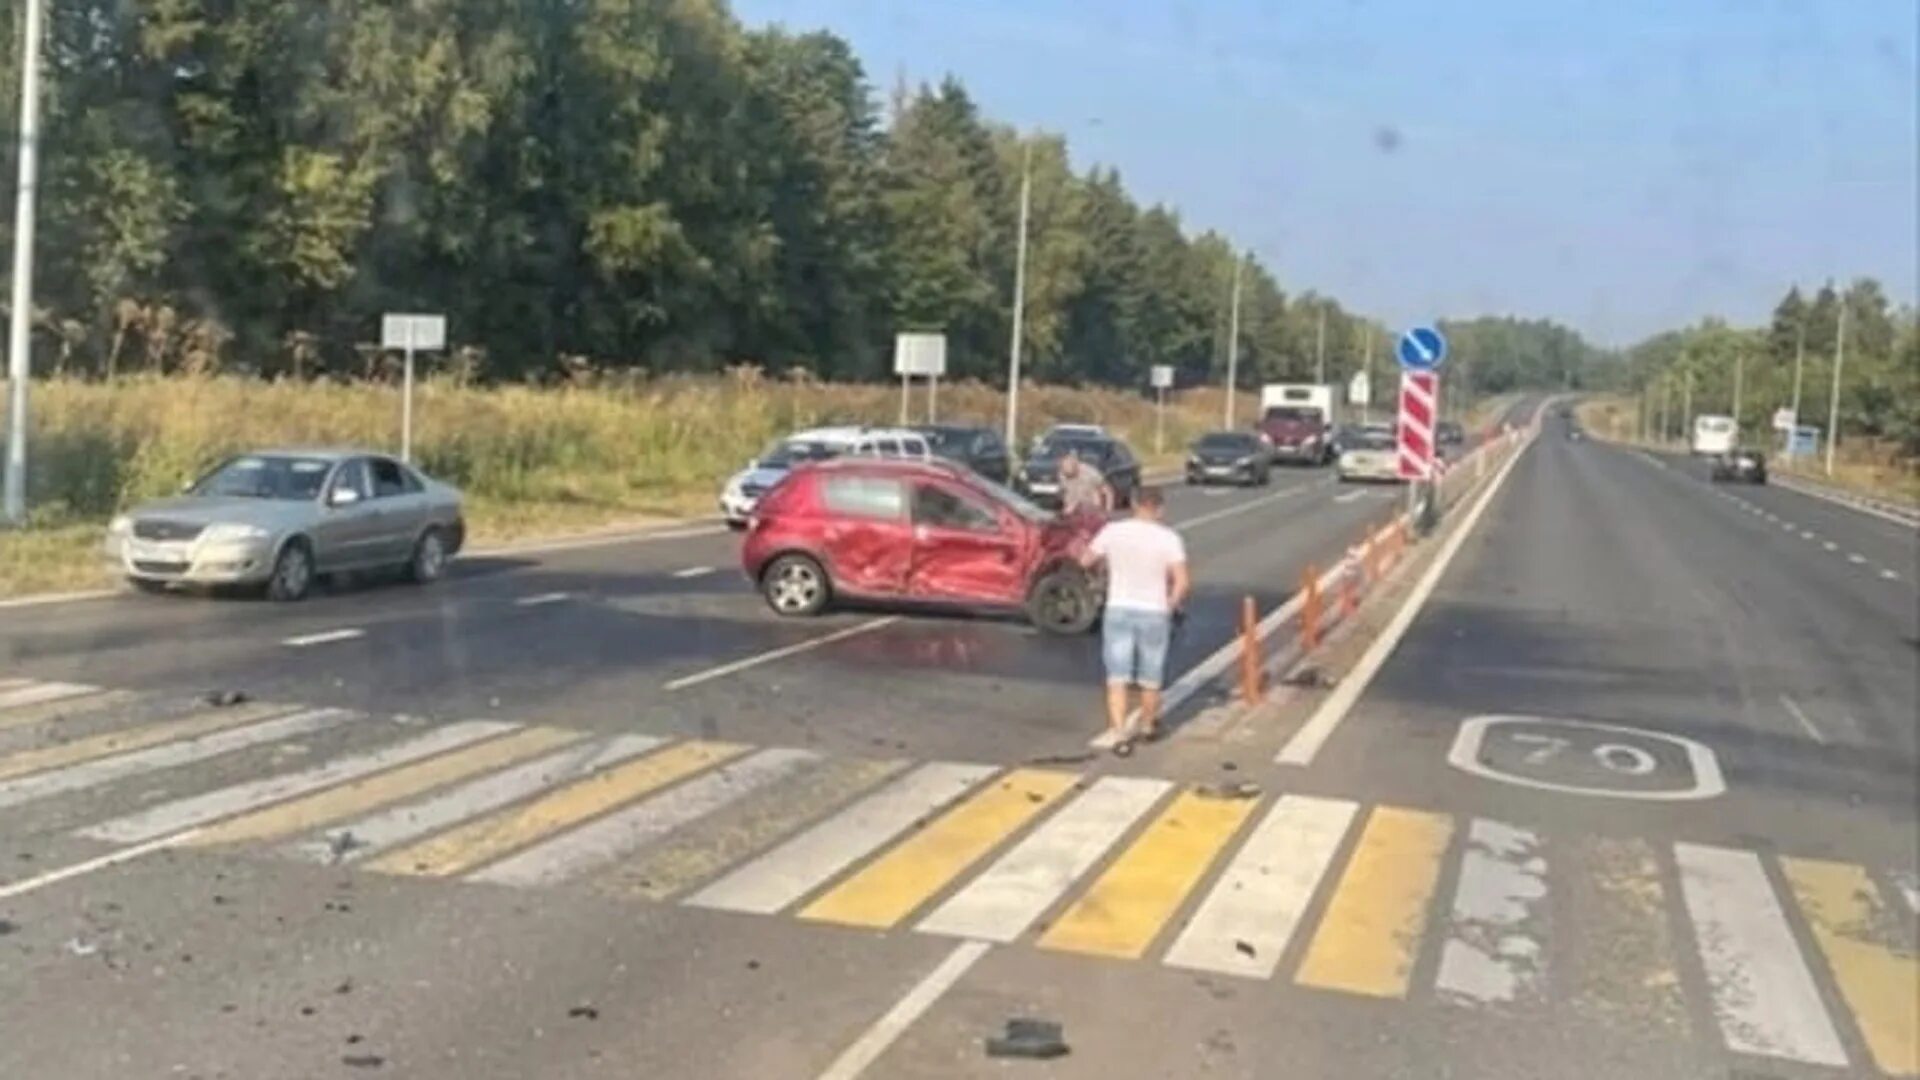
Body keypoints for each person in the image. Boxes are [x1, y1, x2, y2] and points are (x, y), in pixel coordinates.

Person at [1081, 486, 1189, 755]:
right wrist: (1171, 605)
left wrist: (1103, 568)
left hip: (1118, 609)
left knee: (1117, 677)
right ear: (1160, 509)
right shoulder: (1169, 538)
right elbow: (1182, 581)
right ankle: (1148, 727)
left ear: (1133, 504)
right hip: (1153, 611)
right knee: (1150, 677)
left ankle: (1119, 733)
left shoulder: (1113, 531)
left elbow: (1085, 560)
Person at [1058, 449, 1112, 518]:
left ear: (1076, 466)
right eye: (1063, 468)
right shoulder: (1062, 475)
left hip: (1090, 508)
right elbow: (1065, 492)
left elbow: (1108, 492)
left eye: (1068, 470)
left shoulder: (1090, 473)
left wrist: (1108, 512)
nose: (1065, 473)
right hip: (1072, 510)